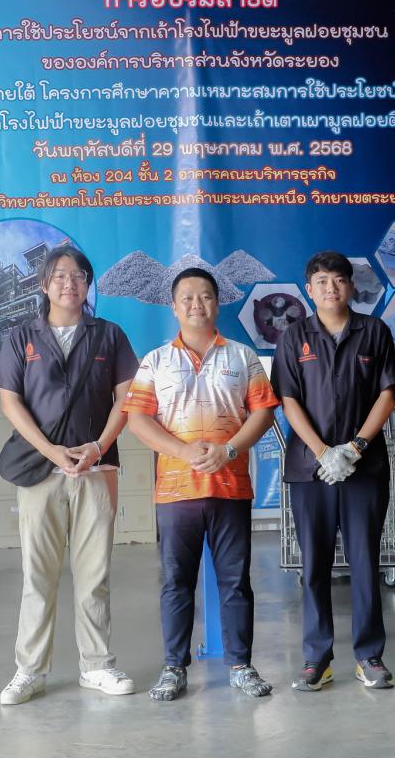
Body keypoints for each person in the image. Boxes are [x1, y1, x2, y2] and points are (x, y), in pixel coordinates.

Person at [0, 245, 140, 705]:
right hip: (41, 470)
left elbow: (126, 399)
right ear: (43, 284)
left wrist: (97, 448)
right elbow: (10, 401)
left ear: (88, 283)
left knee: (94, 573)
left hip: (97, 467)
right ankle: (29, 671)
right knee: (38, 574)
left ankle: (97, 666)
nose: (69, 284)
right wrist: (51, 451)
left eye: (78, 276)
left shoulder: (109, 335)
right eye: (59, 276)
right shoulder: (22, 336)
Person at [124, 267, 279, 701]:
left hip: (231, 487)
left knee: (236, 580)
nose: (197, 304)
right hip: (176, 493)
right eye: (188, 297)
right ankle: (173, 667)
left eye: (206, 296)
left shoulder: (243, 357)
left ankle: (241, 665)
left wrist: (228, 450)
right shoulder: (155, 361)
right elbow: (137, 419)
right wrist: (182, 451)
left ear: (217, 302)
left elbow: (264, 412)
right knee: (176, 582)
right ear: (174, 307)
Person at [270, 251, 395, 692]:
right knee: (315, 564)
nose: (331, 288)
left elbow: (387, 394)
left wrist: (355, 447)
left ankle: (369, 656)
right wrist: (324, 452)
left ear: (351, 286)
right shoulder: (293, 337)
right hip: (311, 471)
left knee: (364, 561)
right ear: (309, 289)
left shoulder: (374, 332)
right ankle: (316, 658)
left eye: (339, 280)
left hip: (365, 468)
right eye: (322, 281)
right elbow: (288, 399)